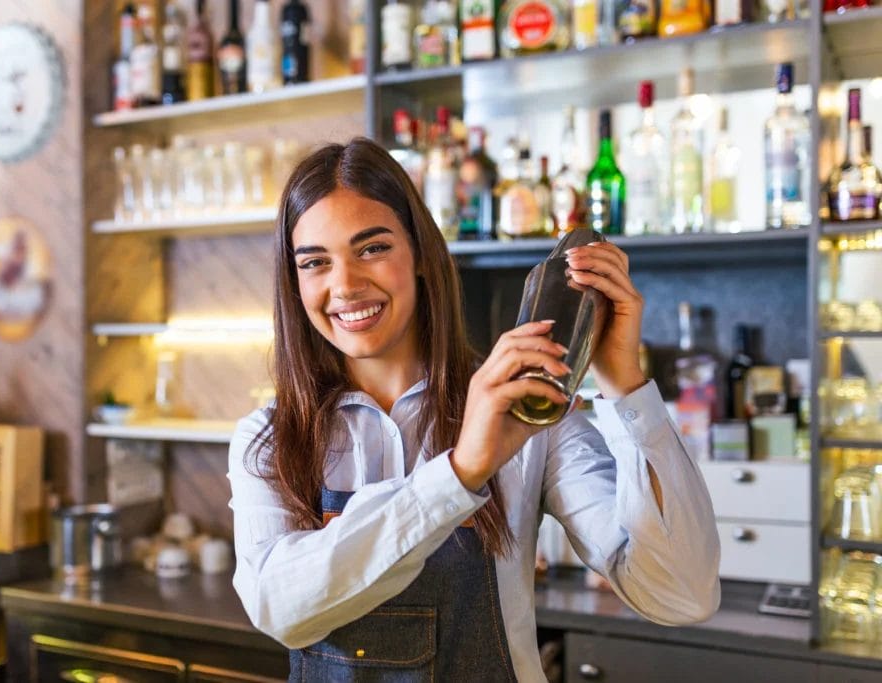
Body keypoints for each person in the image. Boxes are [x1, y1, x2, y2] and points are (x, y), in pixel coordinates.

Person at [228, 137, 720, 682]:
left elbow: (680, 594)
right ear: (294, 284)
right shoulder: (271, 436)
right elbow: (277, 610)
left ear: (419, 256)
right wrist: (459, 473)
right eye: (315, 262)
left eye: (372, 248)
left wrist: (624, 382)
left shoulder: (526, 414)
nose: (344, 284)